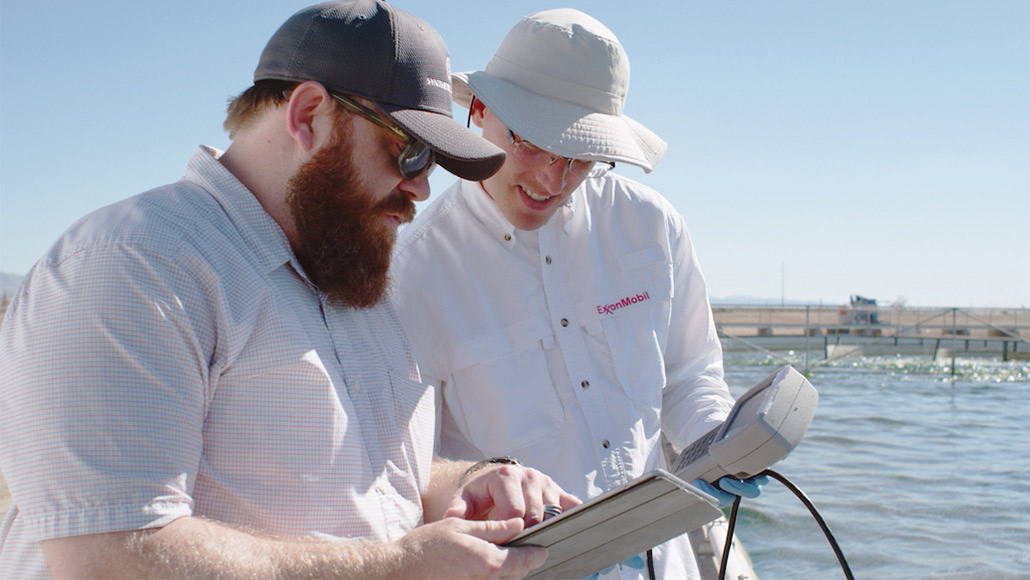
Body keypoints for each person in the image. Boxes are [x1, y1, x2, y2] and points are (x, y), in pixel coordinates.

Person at [0, 2, 580, 578]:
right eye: (410, 151)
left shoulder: (352, 277)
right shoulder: (135, 266)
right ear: (307, 115)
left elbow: (375, 481)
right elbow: (111, 557)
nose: (421, 188)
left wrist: (470, 480)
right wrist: (397, 569)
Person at [391, 9, 765, 579]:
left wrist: (716, 442)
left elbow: (690, 376)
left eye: (580, 155)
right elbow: (409, 472)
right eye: (532, 143)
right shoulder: (413, 275)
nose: (552, 179)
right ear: (479, 112)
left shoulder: (653, 226)